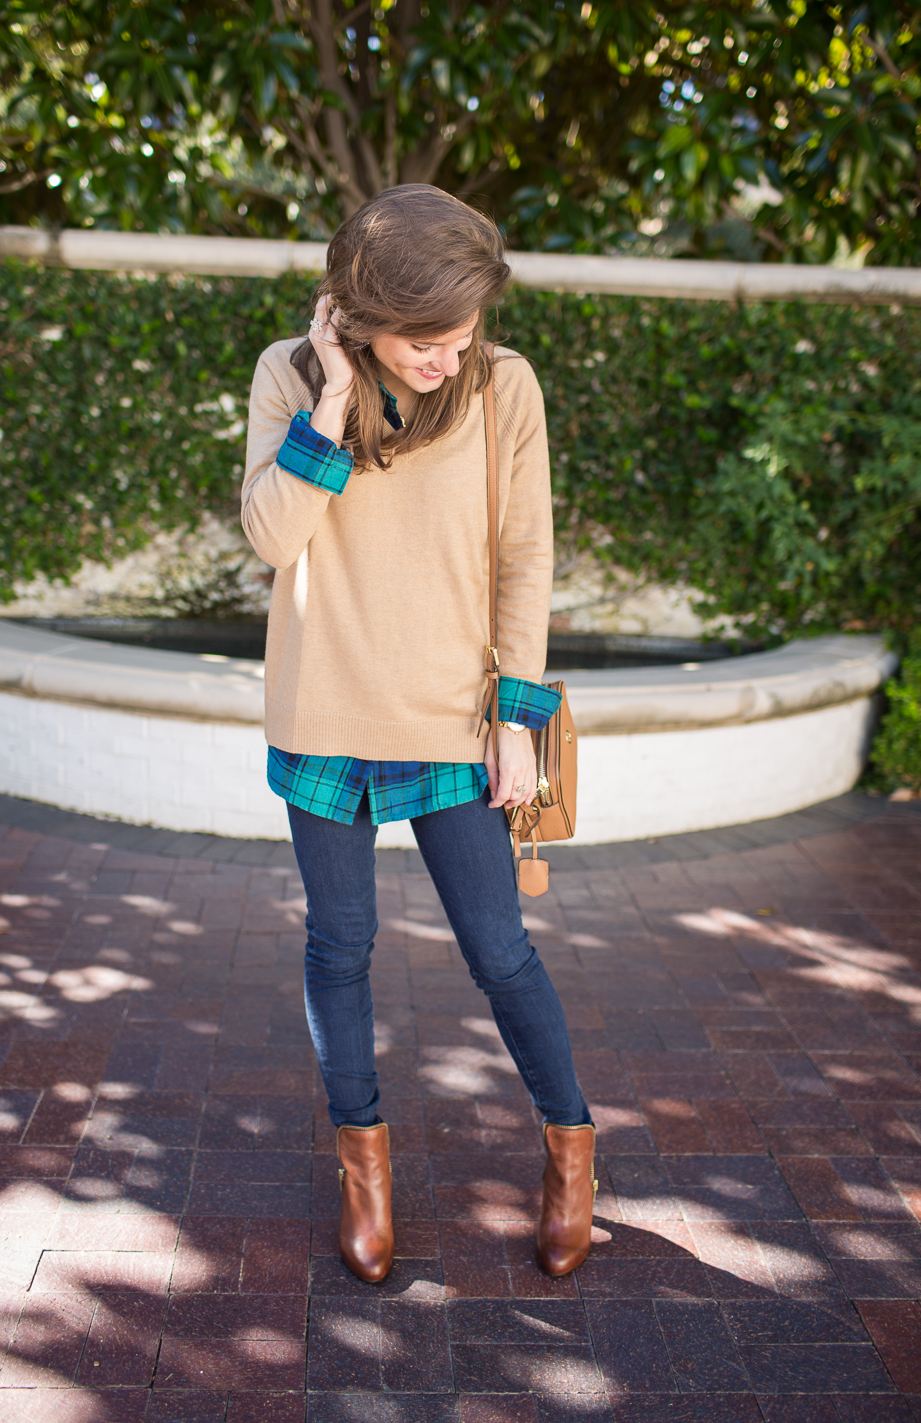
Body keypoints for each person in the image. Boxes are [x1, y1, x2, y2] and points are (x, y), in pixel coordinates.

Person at [240, 184, 595, 1285]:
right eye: (422, 340)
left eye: (464, 333)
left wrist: (518, 722)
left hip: (453, 721)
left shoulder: (505, 386)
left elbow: (523, 556)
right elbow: (270, 535)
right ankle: (365, 1173)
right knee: (338, 948)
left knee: (500, 952)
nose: (450, 356)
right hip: (323, 712)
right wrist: (336, 401)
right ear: (356, 318)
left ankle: (573, 1156)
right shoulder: (291, 377)